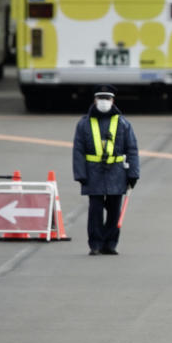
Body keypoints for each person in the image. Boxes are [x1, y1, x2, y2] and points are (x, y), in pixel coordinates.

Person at [71, 88, 140, 255]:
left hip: (116, 173)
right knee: (95, 209)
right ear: (95, 101)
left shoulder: (123, 123)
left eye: (107, 98)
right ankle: (95, 244)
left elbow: (132, 149)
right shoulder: (84, 123)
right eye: (100, 98)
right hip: (93, 173)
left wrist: (133, 174)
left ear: (113, 101)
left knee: (114, 210)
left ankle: (110, 244)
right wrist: (80, 174)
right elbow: (78, 150)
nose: (103, 101)